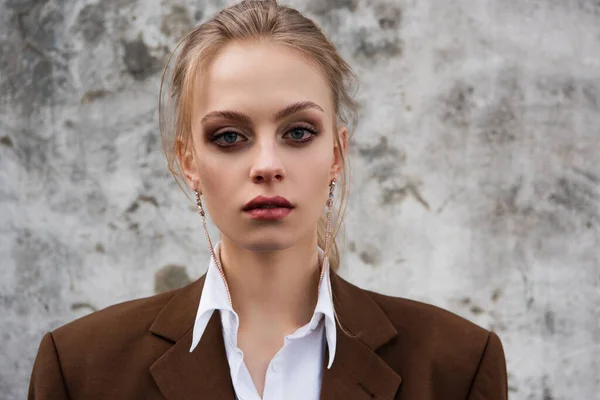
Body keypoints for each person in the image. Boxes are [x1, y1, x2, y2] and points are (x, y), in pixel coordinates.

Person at [28, 1, 508, 399]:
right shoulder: (80, 368)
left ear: (337, 153)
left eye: (298, 131)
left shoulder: (455, 364)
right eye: (229, 136)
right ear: (188, 160)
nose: (266, 165)